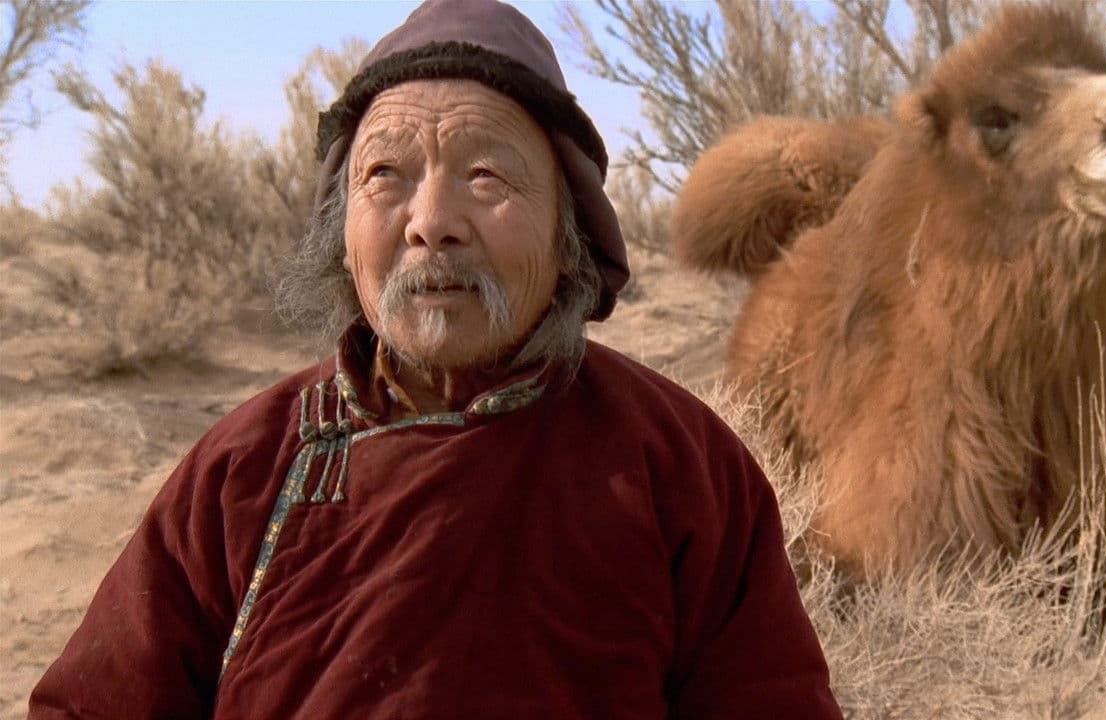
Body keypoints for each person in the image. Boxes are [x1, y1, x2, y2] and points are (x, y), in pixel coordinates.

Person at [29, 1, 841, 717]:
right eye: (385, 173)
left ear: (568, 233)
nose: (430, 222)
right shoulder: (246, 468)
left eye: (486, 175)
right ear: (341, 232)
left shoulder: (680, 467)